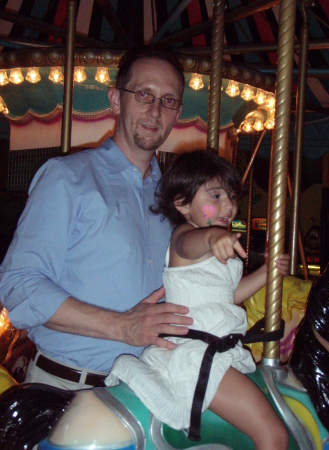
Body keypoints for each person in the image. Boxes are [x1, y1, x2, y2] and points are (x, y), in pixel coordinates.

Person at [0, 46, 194, 390]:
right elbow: (19, 285)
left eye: (168, 101)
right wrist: (121, 326)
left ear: (177, 112)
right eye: (144, 94)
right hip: (68, 386)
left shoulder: (172, 197)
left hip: (148, 391)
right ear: (116, 100)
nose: (155, 110)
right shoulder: (67, 177)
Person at [107, 150, 289, 450]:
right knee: (273, 436)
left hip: (218, 350)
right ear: (182, 203)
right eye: (215, 196)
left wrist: (267, 274)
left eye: (231, 196)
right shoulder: (185, 237)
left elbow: (228, 297)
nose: (228, 205)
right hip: (197, 356)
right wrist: (213, 237)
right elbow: (192, 244)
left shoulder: (215, 247)